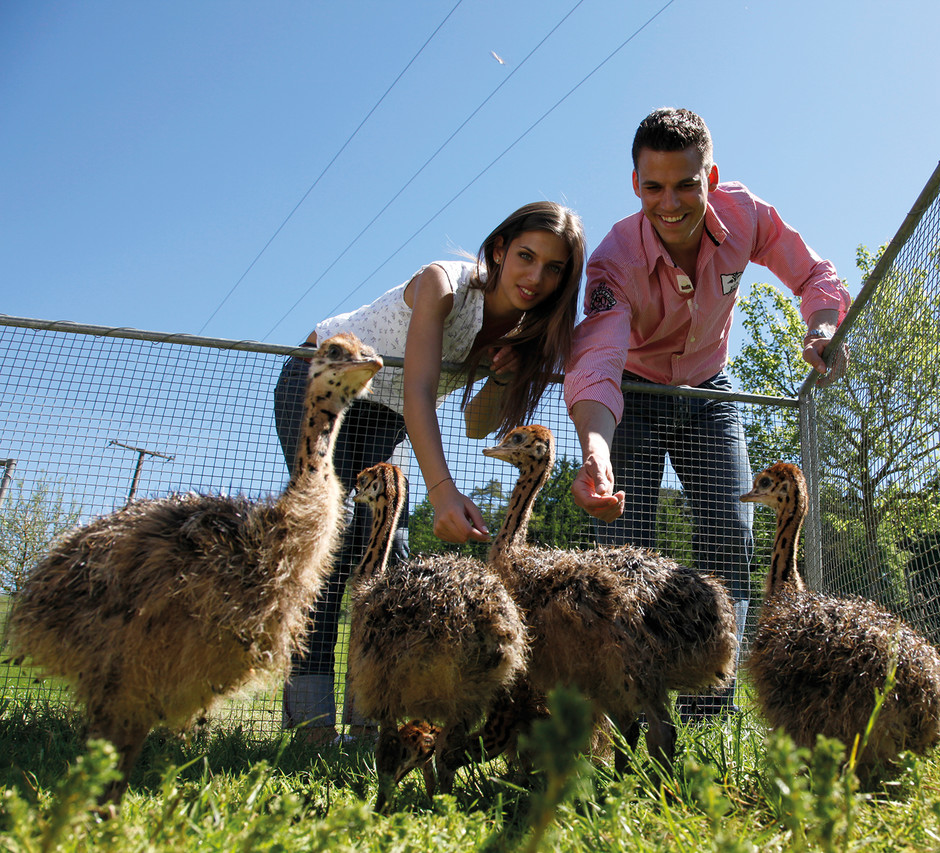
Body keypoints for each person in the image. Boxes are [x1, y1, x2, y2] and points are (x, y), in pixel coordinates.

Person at [563, 108, 850, 716]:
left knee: (732, 533)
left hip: (708, 392)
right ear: (635, 184)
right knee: (621, 549)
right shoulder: (613, 261)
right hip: (633, 396)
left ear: (711, 177)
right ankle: (630, 709)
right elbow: (598, 360)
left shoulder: (745, 215)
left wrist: (823, 328)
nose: (670, 204)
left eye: (686, 185)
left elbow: (814, 274)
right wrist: (596, 450)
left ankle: (709, 711)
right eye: (653, 187)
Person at [274, 200, 586, 744]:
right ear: (499, 250)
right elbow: (419, 390)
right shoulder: (443, 284)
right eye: (526, 257)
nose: (536, 277)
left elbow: (476, 426)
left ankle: (370, 718)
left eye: (553, 268)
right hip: (326, 381)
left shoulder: (525, 329)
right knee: (330, 544)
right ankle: (310, 727)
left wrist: (501, 377)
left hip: (387, 415)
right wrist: (442, 492)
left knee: (386, 550)